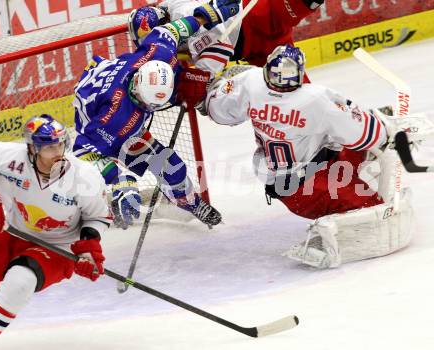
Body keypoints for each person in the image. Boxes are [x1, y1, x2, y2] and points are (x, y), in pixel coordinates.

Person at [204, 44, 416, 269]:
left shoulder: (251, 82)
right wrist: (386, 133)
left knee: (343, 139)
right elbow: (364, 133)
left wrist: (218, 88)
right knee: (374, 210)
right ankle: (324, 234)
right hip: (311, 189)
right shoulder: (315, 99)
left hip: (288, 185)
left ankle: (357, 161)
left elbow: (217, 110)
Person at [72, 0, 242, 229]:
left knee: (171, 166)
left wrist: (207, 15)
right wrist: (120, 181)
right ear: (136, 89)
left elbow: (171, 29)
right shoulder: (115, 119)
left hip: (113, 88)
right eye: (147, 103)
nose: (151, 109)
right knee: (104, 172)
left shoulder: (158, 53)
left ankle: (189, 202)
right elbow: (82, 152)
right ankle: (91, 205)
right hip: (96, 114)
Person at [0, 115, 111, 339]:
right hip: (13, 233)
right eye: (48, 147)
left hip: (58, 247)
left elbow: (98, 217)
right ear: (31, 149)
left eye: (59, 144)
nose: (57, 152)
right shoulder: (8, 159)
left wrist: (88, 247)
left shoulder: (84, 176)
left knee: (21, 280)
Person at [128, 0, 324, 78]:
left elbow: (217, 45)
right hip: (254, 43)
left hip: (250, 24)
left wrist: (200, 78)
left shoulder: (183, 15)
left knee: (296, 90)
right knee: (297, 89)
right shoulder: (172, 12)